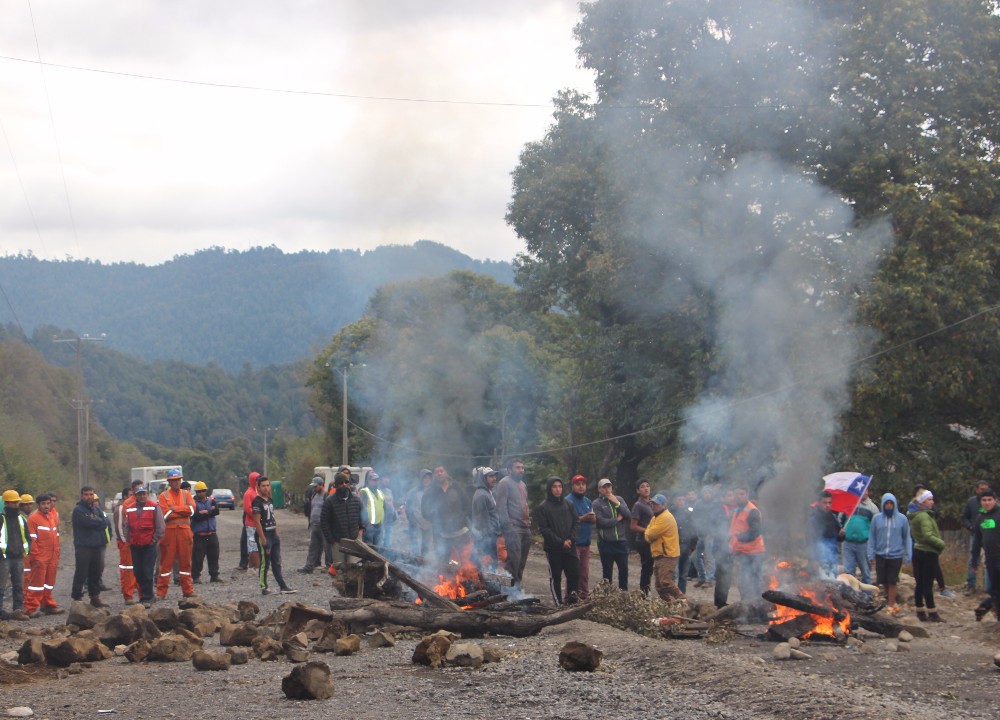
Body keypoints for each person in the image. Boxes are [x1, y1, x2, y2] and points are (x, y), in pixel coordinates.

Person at [534, 477, 579, 605]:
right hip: (554, 548)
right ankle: (558, 603)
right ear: (549, 488)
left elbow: (576, 522)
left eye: (560, 486)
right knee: (556, 577)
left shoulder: (568, 504)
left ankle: (572, 602)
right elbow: (544, 529)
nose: (557, 489)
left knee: (574, 575)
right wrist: (561, 542)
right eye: (554, 486)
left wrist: (571, 539)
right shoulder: (543, 507)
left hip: (570, 546)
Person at [867, 492, 911, 614]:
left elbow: (907, 537)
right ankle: (891, 602)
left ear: (895, 504)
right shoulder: (877, 519)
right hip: (880, 554)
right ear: (883, 505)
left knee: (892, 580)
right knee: (884, 580)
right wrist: (870, 554)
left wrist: (908, 554)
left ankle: (891, 604)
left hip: (896, 555)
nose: (889, 506)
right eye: (886, 503)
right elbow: (872, 537)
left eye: (891, 503)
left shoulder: (902, 519)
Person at [156, 468, 196, 599]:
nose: (177, 483)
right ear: (169, 482)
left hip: (185, 532)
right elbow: (165, 514)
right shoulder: (163, 496)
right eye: (174, 481)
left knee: (186, 563)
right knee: (166, 563)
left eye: (178, 480)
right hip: (169, 534)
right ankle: (161, 592)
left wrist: (175, 509)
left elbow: (191, 510)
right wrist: (181, 511)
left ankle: (188, 591)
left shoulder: (186, 494)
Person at [252, 476, 296, 595]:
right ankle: (264, 587)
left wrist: (276, 533)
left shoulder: (270, 500)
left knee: (276, 561)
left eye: (267, 485)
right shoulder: (257, 501)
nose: (266, 488)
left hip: (273, 534)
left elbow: (272, 516)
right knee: (265, 563)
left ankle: (283, 586)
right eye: (263, 486)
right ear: (258, 487)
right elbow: (256, 521)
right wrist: (263, 539)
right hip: (264, 535)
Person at [421, 466, 471, 567]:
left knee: (465, 561)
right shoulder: (430, 492)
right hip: (442, 535)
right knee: (443, 562)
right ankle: (445, 581)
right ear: (434, 476)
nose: (439, 473)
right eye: (436, 472)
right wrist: (437, 522)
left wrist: (462, 519)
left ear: (446, 473)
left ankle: (465, 581)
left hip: (460, 532)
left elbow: (467, 505)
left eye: (441, 471)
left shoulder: (456, 487)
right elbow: (425, 511)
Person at [123, 485, 165, 607]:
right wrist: (129, 540)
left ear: (147, 494)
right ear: (135, 496)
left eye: (144, 494)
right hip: (135, 545)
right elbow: (126, 526)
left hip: (149, 545)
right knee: (137, 572)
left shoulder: (154, 507)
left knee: (147, 571)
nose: (142, 496)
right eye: (139, 494)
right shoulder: (130, 508)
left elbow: (160, 526)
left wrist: (154, 540)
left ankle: (147, 598)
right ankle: (147, 595)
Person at [907, 489, 945, 622]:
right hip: (928, 551)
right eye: (929, 499)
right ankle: (932, 612)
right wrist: (940, 544)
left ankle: (920, 610)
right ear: (923, 502)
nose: (932, 502)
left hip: (918, 549)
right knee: (928, 583)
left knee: (920, 583)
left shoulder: (915, 515)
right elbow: (928, 535)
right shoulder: (924, 516)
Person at [70, 486, 111, 607]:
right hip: (84, 546)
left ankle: (95, 597)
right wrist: (97, 522)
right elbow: (89, 523)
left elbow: (105, 523)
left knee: (96, 573)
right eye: (86, 494)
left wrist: (96, 521)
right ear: (82, 496)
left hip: (97, 545)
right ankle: (77, 597)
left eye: (91, 494)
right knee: (81, 572)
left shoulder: (96, 509)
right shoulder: (78, 510)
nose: (89, 497)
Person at [24, 493, 64, 617]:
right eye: (43, 504)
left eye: (48, 503)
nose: (46, 506)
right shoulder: (33, 519)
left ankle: (47, 604)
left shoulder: (51, 517)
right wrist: (36, 557)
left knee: (49, 583)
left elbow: (56, 536)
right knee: (36, 584)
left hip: (52, 555)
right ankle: (31, 608)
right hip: (41, 556)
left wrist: (57, 553)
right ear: (38, 505)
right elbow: (32, 539)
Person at [495, 458, 532, 589]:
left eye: (522, 467)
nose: (521, 470)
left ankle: (516, 588)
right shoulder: (504, 483)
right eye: (518, 467)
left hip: (525, 527)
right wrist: (508, 526)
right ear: (509, 470)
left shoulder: (523, 485)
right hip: (513, 527)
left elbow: (524, 505)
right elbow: (501, 507)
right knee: (513, 561)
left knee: (521, 562)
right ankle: (506, 591)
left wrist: (529, 523)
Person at [728, 486, 766, 604]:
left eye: (741, 494)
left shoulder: (752, 511)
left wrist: (741, 536)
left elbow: (756, 531)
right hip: (743, 552)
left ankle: (756, 609)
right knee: (743, 583)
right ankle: (747, 608)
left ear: (747, 495)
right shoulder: (737, 510)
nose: (738, 496)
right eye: (736, 494)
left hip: (754, 553)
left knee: (752, 583)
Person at [645, 493, 685, 601]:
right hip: (658, 554)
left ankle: (682, 600)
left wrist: (649, 533)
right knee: (659, 586)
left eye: (657, 504)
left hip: (667, 555)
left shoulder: (665, 517)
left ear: (664, 505)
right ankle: (668, 605)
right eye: (652, 503)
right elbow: (648, 535)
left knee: (665, 582)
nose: (654, 506)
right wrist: (649, 533)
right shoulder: (655, 517)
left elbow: (649, 534)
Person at [593, 478, 632, 590]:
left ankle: (623, 594)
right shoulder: (597, 503)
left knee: (624, 570)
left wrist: (617, 503)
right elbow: (601, 522)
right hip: (606, 543)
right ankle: (607, 597)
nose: (607, 489)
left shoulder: (619, 499)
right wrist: (617, 519)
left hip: (621, 541)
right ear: (599, 489)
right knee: (607, 573)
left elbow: (628, 515)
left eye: (609, 486)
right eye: (604, 487)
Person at [321, 473, 364, 568]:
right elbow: (324, 523)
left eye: (346, 482)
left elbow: (363, 518)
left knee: (354, 566)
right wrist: (331, 540)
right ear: (336, 485)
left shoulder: (357, 500)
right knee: (340, 568)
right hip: (338, 541)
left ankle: (353, 583)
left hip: (354, 539)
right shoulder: (329, 501)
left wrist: (360, 533)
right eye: (341, 482)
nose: (344, 484)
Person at [0, 489, 30, 621]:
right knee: (1, 586)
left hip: (18, 557)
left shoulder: (21, 519)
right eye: (13, 502)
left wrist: (26, 550)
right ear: (6, 503)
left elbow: (27, 537)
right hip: (4, 558)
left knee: (18, 585)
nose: (16, 504)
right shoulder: (1, 519)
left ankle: (18, 610)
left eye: (17, 502)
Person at [971, 488, 1000, 621]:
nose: (987, 502)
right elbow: (977, 541)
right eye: (984, 500)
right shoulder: (980, 518)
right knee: (992, 588)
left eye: (990, 500)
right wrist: (974, 560)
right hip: (990, 558)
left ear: (995, 500)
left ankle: (986, 607)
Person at [566, 474, 595, 600]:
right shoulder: (568, 501)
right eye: (578, 484)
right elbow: (566, 521)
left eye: (583, 484)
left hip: (586, 543)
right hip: (574, 543)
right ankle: (569, 598)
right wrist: (584, 518)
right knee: (573, 573)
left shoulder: (588, 501)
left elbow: (593, 520)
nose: (581, 486)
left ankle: (584, 598)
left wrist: (593, 518)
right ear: (573, 486)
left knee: (584, 573)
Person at [841, 489, 877, 584]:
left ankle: (867, 596)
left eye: (866, 490)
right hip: (848, 543)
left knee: (865, 571)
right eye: (862, 490)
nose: (864, 492)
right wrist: (840, 530)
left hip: (864, 544)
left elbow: (876, 528)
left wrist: (873, 547)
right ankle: (851, 595)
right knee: (849, 572)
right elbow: (840, 521)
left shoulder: (872, 508)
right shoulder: (848, 505)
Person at [963, 480, 992, 594]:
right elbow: (964, 517)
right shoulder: (971, 502)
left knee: (989, 560)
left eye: (986, 489)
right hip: (975, 536)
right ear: (977, 490)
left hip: (989, 536)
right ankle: (971, 584)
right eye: (982, 489)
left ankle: (987, 586)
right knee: (973, 559)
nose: (984, 491)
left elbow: (995, 521)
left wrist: (982, 526)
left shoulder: (993, 503)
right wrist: (970, 526)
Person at [470, 467, 502, 568]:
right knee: (488, 567)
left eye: (494, 476)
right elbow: (482, 521)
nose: (494, 478)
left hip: (490, 536)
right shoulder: (482, 495)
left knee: (490, 567)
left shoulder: (487, 492)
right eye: (490, 476)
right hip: (486, 538)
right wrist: (488, 539)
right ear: (483, 479)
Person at [300, 476, 334, 573]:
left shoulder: (326, 496)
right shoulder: (314, 495)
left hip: (323, 525)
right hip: (314, 525)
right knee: (313, 546)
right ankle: (309, 565)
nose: (313, 488)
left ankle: (329, 566)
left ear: (321, 485)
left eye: (315, 486)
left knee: (327, 547)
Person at [112, 485, 139, 604]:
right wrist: (125, 542)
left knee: (137, 568)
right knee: (127, 568)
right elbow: (119, 527)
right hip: (126, 543)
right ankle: (127, 593)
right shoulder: (122, 508)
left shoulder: (137, 506)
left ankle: (136, 590)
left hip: (136, 543)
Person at [708, 487, 735, 608]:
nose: (732, 498)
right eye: (729, 495)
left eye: (731, 495)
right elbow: (716, 530)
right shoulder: (717, 510)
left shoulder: (733, 509)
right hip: (720, 548)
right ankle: (719, 603)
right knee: (722, 576)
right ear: (722, 498)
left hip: (730, 548)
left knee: (727, 577)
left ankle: (722, 601)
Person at [807, 490, 844, 578]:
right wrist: (813, 559)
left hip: (833, 557)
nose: (827, 505)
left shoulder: (833, 517)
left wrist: (842, 535)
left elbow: (839, 538)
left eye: (829, 503)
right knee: (821, 585)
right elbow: (810, 541)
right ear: (819, 503)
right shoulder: (813, 520)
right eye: (825, 503)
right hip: (820, 559)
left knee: (833, 584)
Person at [191, 481, 222, 584]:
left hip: (212, 534)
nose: (201, 493)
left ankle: (214, 575)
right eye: (199, 491)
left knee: (214, 556)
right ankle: (196, 577)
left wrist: (206, 512)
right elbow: (196, 516)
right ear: (196, 492)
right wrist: (210, 512)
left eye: (203, 491)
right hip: (199, 535)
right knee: (197, 557)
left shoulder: (211, 501)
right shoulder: (193, 503)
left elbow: (216, 511)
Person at [630, 480, 654, 595]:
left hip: (653, 540)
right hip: (643, 541)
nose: (646, 488)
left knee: (651, 569)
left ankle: (647, 592)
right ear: (638, 490)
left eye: (647, 486)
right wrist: (648, 531)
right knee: (646, 568)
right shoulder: (638, 505)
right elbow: (633, 526)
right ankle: (644, 595)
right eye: (642, 487)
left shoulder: (652, 503)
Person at [671, 492, 698, 594]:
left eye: (683, 500)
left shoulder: (688, 513)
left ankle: (681, 596)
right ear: (674, 501)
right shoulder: (670, 513)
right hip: (674, 547)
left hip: (686, 546)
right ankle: (672, 597)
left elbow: (694, 529)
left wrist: (693, 546)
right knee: (674, 574)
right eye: (679, 500)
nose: (681, 502)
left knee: (683, 575)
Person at [691, 485, 717, 588]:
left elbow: (716, 521)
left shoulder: (715, 505)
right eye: (705, 493)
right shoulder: (698, 504)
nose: (707, 495)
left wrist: (712, 533)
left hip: (710, 535)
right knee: (695, 557)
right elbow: (694, 517)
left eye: (709, 493)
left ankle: (709, 579)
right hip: (700, 534)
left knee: (709, 557)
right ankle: (702, 577)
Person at [405, 469, 434, 559]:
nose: (427, 480)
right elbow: (408, 510)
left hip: (428, 524)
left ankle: (424, 564)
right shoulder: (413, 492)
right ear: (421, 479)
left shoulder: (434, 491)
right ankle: (415, 563)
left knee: (425, 546)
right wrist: (412, 522)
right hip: (416, 524)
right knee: (415, 547)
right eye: (424, 478)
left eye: (429, 478)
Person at [359, 471, 388, 546]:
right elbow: (362, 509)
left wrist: (384, 521)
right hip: (369, 526)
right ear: (368, 481)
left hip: (379, 525)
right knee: (369, 549)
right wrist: (366, 523)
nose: (376, 482)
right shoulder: (364, 491)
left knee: (378, 548)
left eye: (377, 480)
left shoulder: (380, 492)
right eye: (373, 480)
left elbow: (384, 508)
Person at [241, 471, 262, 571]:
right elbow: (247, 508)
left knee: (257, 545)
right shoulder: (248, 493)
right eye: (256, 479)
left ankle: (253, 566)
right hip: (251, 523)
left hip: (258, 523)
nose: (258, 481)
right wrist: (257, 515)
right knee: (252, 545)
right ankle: (255, 567)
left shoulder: (257, 492)